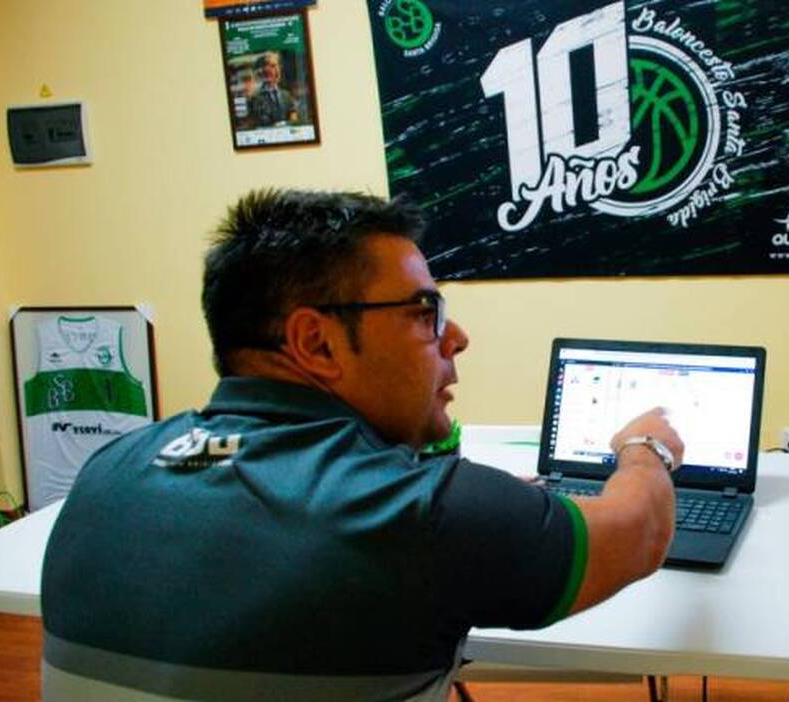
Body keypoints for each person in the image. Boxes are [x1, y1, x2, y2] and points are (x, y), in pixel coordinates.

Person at [40, 190, 682, 700]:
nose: (455, 336)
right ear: (316, 343)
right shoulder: (420, 514)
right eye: (424, 312)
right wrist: (643, 447)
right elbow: (642, 530)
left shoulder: (106, 470)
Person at [247, 51, 298, 127]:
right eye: (266, 65)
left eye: (273, 66)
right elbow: (256, 121)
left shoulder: (286, 94)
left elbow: (293, 113)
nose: (268, 69)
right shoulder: (254, 97)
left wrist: (293, 118)